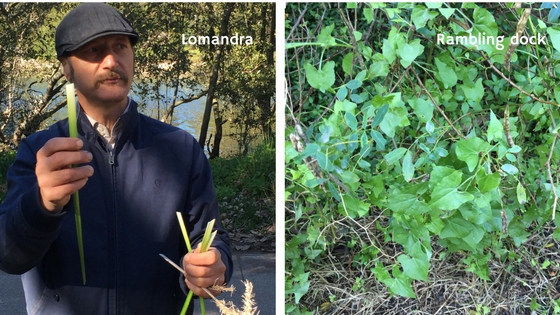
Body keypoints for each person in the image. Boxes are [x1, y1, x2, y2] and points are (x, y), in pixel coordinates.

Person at [0, 3, 232, 314]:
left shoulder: (180, 148)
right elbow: (9, 257)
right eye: (94, 50)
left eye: (120, 46)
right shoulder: (41, 152)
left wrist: (215, 266)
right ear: (67, 68)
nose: (111, 61)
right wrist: (42, 205)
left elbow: (210, 237)